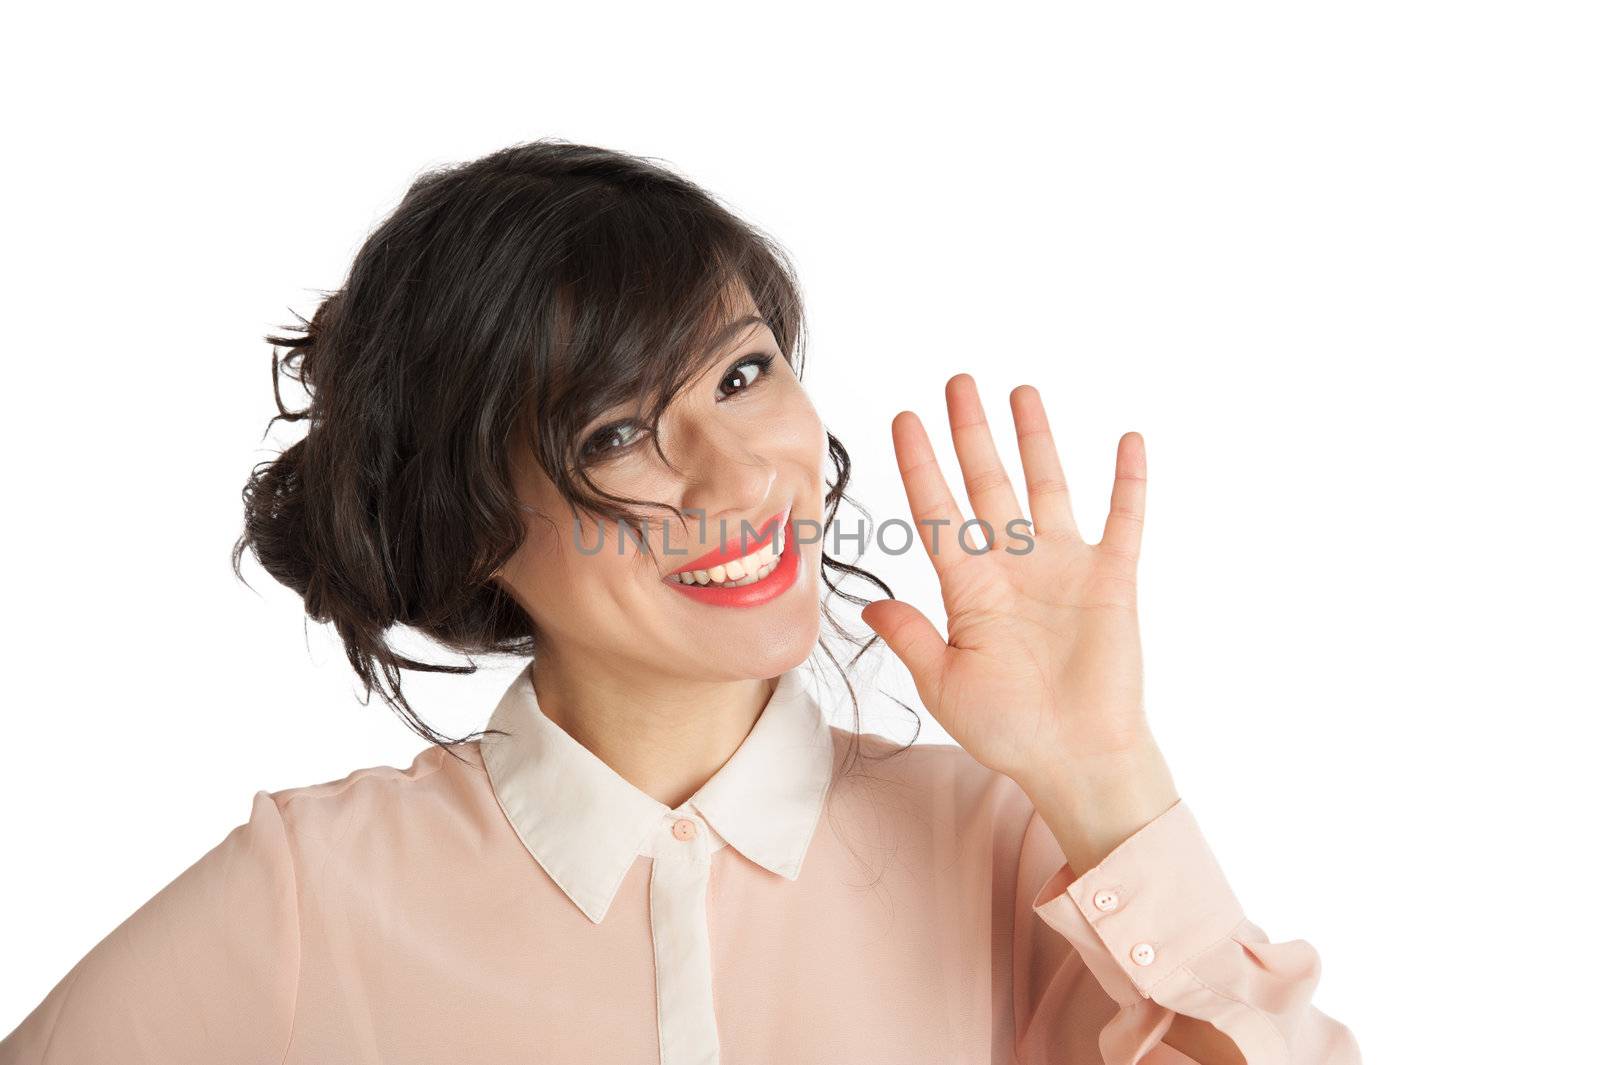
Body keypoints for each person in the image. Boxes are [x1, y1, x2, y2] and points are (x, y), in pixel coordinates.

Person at [0, 141, 1360, 1065]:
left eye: (741, 373)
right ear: (471, 521)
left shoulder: (1007, 851)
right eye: (611, 435)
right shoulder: (316, 894)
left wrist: (1108, 777)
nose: (737, 471)